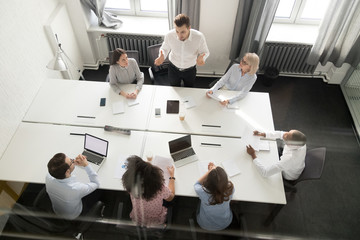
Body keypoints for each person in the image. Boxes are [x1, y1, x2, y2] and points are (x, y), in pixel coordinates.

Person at [154, 13, 210, 87]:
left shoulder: (199, 37)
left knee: (189, 89)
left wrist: (203, 58)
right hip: (173, 69)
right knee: (174, 89)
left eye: (183, 32)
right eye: (177, 31)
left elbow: (205, 52)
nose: (179, 35)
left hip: (190, 70)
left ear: (189, 28)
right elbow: (164, 48)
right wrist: (162, 56)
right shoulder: (169, 35)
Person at [122, 155, 175, 226]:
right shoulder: (159, 188)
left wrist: (144, 167)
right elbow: (171, 197)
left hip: (137, 220)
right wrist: (172, 177)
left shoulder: (131, 185)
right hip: (156, 222)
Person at [45, 153, 100, 220]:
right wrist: (86, 165)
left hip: (57, 211)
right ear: (67, 172)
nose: (73, 160)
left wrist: (73, 163)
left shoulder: (48, 176)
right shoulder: (75, 188)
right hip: (74, 216)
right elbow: (96, 183)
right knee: (98, 192)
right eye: (71, 161)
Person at [194, 162, 234, 231]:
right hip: (225, 223)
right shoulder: (230, 189)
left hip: (204, 224)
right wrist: (216, 172)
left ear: (208, 181)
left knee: (197, 204)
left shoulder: (202, 192)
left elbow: (196, 184)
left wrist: (210, 171)